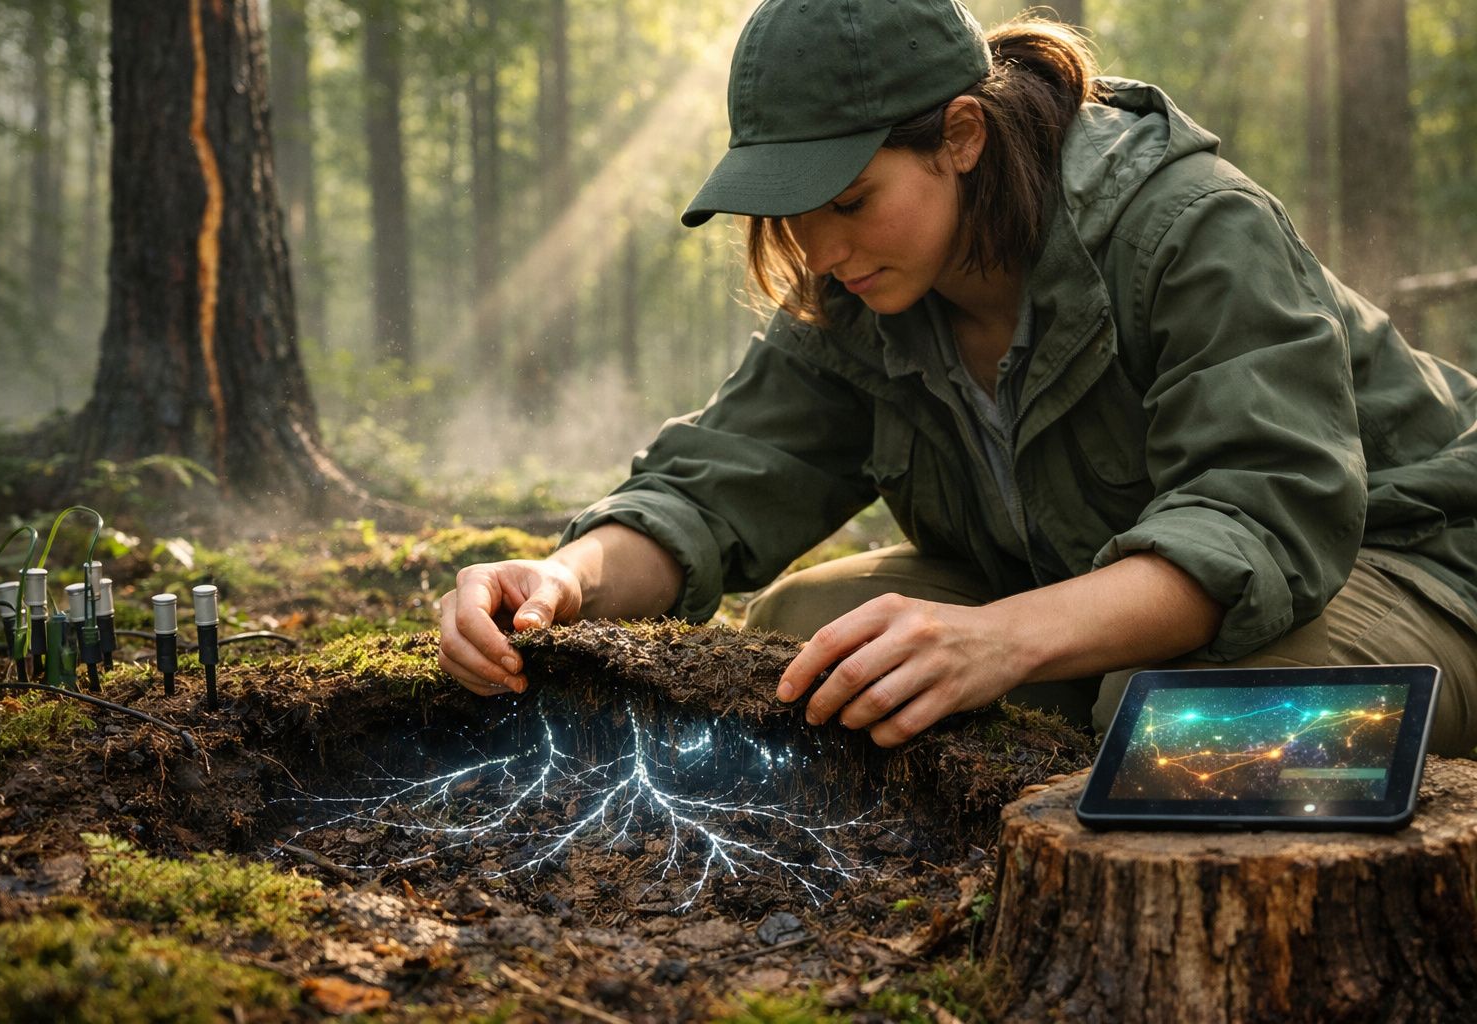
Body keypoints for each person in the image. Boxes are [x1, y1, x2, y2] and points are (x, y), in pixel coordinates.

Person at [439, 0, 1477, 756]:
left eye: (849, 197)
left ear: (962, 136)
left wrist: (1002, 640)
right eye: (791, 208)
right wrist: (565, 579)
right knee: (807, 647)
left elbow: (1262, 519)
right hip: (1084, 579)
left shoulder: (1189, 228)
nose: (817, 243)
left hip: (1405, 558)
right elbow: (717, 479)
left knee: (1193, 720)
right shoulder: (864, 288)